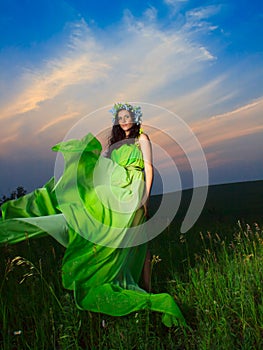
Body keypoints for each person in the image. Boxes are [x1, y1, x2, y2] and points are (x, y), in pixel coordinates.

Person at [0, 103, 185, 327]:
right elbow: (101, 165)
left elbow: (148, 168)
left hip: (132, 190)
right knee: (116, 240)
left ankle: (146, 288)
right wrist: (84, 157)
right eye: (121, 117)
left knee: (138, 240)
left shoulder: (142, 139)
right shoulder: (114, 146)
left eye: (128, 116)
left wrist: (146, 197)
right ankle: (121, 282)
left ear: (135, 119)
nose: (125, 120)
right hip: (115, 189)